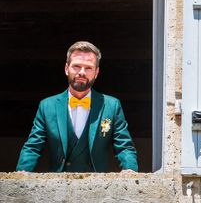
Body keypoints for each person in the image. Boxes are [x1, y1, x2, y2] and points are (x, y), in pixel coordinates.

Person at [16, 41, 138, 172]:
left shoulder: (112, 105)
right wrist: (21, 174)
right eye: (77, 66)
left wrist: (130, 173)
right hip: (58, 186)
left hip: (98, 187)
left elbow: (124, 147)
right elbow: (33, 147)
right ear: (66, 68)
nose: (82, 72)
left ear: (96, 72)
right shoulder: (47, 106)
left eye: (88, 67)